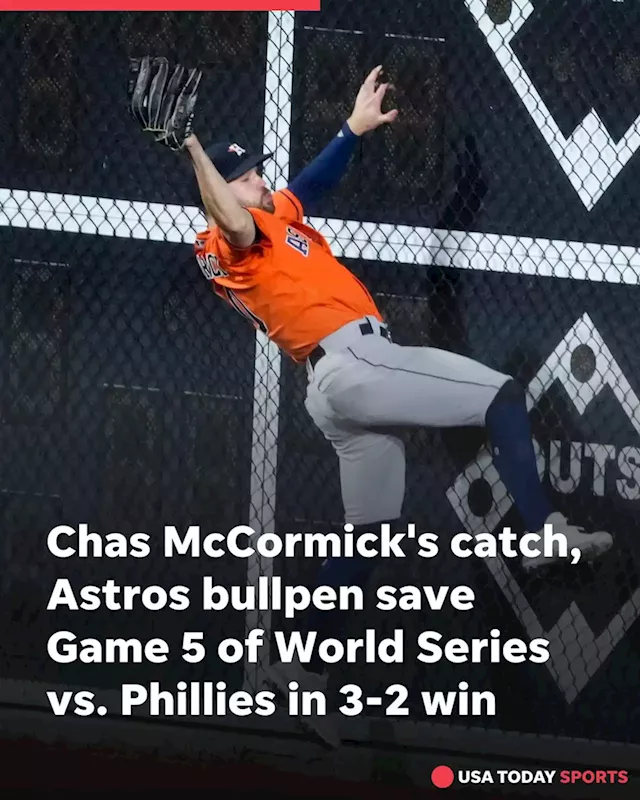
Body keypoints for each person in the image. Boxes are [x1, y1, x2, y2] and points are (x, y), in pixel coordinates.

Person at [130, 60, 613, 748]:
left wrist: (353, 129)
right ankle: (541, 531)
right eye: (251, 176)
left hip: (336, 394)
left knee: (371, 535)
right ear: (226, 191)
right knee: (503, 396)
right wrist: (194, 150)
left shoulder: (281, 219)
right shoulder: (228, 239)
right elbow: (232, 219)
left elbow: (308, 185)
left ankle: (299, 666)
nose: (264, 180)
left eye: (259, 173)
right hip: (356, 361)